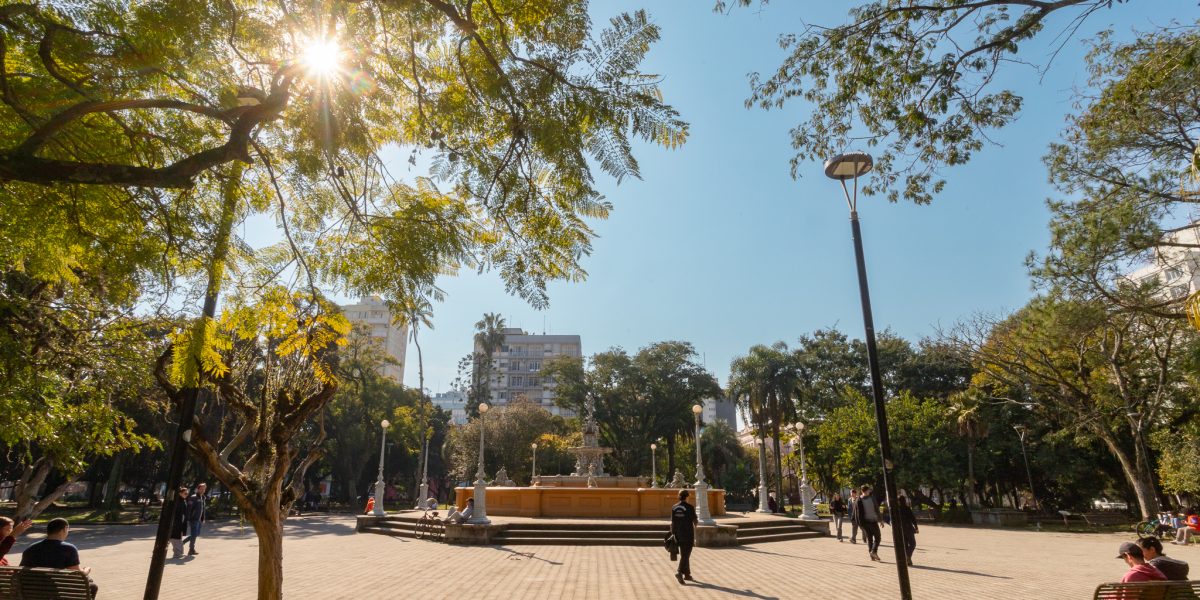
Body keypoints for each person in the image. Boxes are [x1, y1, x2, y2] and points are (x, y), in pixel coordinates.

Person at [21, 518, 98, 596]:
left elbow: (21, 570)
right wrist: (86, 570)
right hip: (56, 590)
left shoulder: (31, 548)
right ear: (64, 529)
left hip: (31, 591)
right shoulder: (68, 548)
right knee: (92, 586)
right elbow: (77, 574)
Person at [670, 489, 698, 585]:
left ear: (679, 496)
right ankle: (679, 572)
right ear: (687, 497)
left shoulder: (674, 507)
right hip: (688, 533)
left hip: (677, 534)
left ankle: (687, 574)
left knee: (684, 554)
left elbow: (672, 522)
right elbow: (695, 521)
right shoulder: (690, 507)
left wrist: (673, 533)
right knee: (686, 554)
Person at [854, 484, 883, 561]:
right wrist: (860, 524)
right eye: (868, 490)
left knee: (871, 538)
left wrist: (880, 520)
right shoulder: (859, 500)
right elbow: (856, 513)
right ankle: (873, 552)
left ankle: (872, 555)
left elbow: (877, 509)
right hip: (867, 522)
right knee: (877, 537)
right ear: (865, 491)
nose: (869, 491)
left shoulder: (871, 498)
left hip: (872, 521)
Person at [184, 482, 207, 556]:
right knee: (194, 534)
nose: (203, 490)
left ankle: (182, 543)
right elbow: (189, 509)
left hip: (199, 520)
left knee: (196, 534)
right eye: (202, 488)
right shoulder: (193, 497)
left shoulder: (203, 497)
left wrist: (203, 519)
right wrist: (189, 519)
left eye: (204, 488)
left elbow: (202, 509)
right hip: (194, 519)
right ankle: (191, 550)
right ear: (198, 489)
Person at [896, 496, 919, 566]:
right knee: (912, 544)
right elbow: (912, 518)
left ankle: (908, 560)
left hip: (900, 529)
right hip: (908, 528)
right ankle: (908, 556)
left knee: (905, 544)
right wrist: (916, 527)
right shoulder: (906, 508)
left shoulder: (896, 510)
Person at [170, 487, 190, 559]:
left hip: (180, 523)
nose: (186, 495)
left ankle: (178, 553)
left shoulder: (182, 501)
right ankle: (177, 554)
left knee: (178, 537)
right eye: (185, 493)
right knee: (176, 538)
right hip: (176, 523)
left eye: (187, 493)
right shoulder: (177, 501)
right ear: (180, 493)